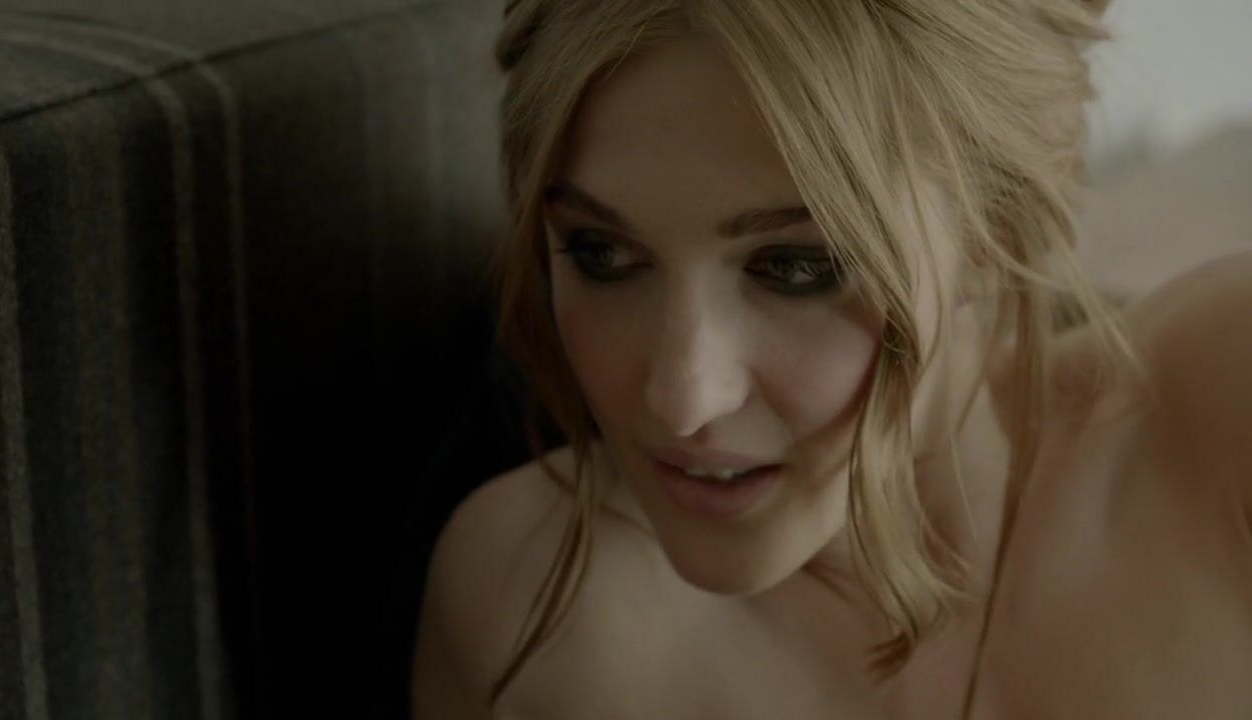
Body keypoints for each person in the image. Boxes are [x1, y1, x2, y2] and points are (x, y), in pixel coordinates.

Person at [414, 1, 1252, 717]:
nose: (682, 400)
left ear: (995, 229)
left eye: (795, 268)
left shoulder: (1219, 406)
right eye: (602, 254)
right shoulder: (540, 617)